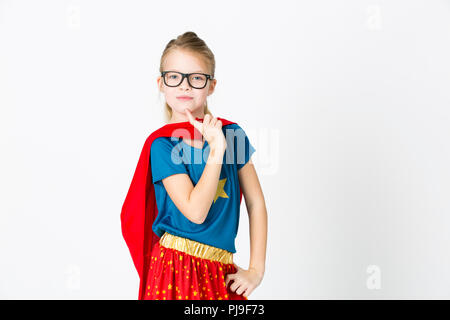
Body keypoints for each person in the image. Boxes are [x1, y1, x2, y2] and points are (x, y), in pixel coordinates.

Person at [121, 31, 267, 300]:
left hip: (220, 270)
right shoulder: (162, 145)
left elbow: (256, 203)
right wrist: (216, 151)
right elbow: (196, 212)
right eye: (174, 77)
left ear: (211, 85)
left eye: (196, 78)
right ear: (161, 84)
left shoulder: (232, 134)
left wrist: (256, 269)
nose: (184, 86)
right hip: (175, 270)